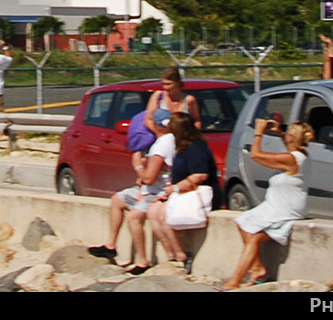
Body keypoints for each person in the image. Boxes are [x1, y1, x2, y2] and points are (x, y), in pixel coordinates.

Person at [222, 118, 312, 290]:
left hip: (285, 209)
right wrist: (279, 133)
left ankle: (235, 281)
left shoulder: (292, 160)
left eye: (289, 132)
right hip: (275, 206)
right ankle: (257, 268)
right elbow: (290, 149)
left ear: (292, 138)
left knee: (253, 237)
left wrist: (258, 133)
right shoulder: (301, 155)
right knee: (243, 222)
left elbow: (256, 155)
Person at [89, 110, 180, 271]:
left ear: (155, 125)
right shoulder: (168, 140)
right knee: (117, 199)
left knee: (134, 218)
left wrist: (137, 165)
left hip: (157, 192)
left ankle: (142, 261)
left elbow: (149, 178)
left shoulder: (163, 144)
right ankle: (111, 245)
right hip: (150, 188)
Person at [147, 113, 220, 271]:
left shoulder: (196, 147)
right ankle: (171, 254)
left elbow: (200, 175)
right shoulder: (181, 148)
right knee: (153, 211)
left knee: (164, 213)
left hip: (197, 193)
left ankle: (182, 255)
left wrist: (175, 188)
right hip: (182, 192)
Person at [145, 66, 202, 131]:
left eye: (169, 84)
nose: (165, 87)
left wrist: (192, 135)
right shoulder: (158, 96)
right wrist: (159, 134)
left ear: (177, 83)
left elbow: (196, 120)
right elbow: (148, 120)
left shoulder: (189, 100)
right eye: (163, 84)